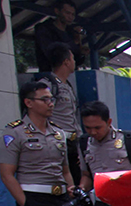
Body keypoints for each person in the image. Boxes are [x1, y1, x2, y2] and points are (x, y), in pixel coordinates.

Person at [36, 42, 82, 184]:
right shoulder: (48, 85)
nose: (74, 62)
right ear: (66, 62)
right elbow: (41, 115)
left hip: (73, 144)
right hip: (58, 142)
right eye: (72, 58)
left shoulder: (67, 85)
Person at [33, 0, 88, 72]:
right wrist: (73, 43)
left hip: (69, 75)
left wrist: (82, 53)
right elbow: (51, 52)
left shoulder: (70, 32)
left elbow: (76, 61)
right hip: (50, 73)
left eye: (73, 15)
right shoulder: (44, 29)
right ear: (57, 11)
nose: (70, 17)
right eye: (67, 13)